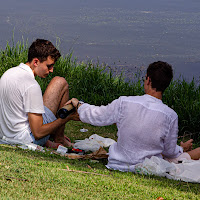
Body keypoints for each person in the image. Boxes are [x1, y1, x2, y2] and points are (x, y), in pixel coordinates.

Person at [67, 61, 200, 171]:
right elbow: (169, 151)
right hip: (149, 166)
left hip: (118, 163)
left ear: (148, 79)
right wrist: (181, 148)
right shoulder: (170, 116)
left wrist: (79, 105)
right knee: (179, 157)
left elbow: (98, 115)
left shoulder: (124, 102)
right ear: (166, 85)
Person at [0, 39, 78, 148]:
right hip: (27, 139)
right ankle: (59, 137)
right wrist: (67, 118)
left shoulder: (8, 73)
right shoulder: (31, 85)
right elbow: (38, 133)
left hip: (6, 135)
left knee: (57, 82)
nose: (51, 70)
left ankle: (53, 138)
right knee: (61, 82)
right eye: (48, 66)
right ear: (36, 62)